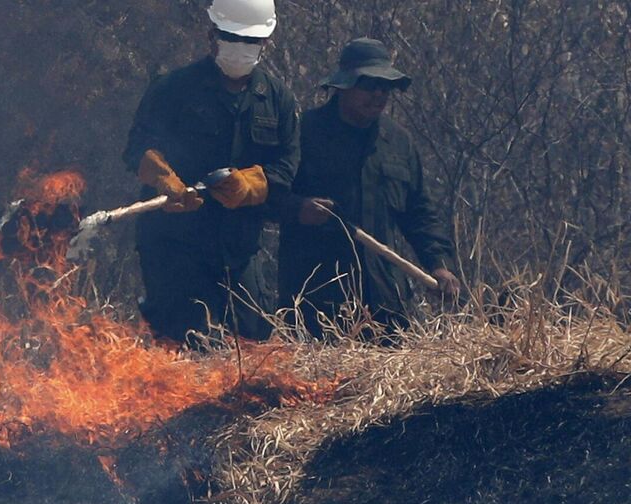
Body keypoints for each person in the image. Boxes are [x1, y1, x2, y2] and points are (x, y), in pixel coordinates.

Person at [122, 0, 300, 346]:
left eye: (251, 41)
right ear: (212, 35)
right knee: (184, 345)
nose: (241, 48)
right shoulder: (173, 89)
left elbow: (287, 164)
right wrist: (166, 180)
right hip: (176, 245)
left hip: (239, 247)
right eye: (232, 37)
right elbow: (138, 148)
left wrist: (251, 185)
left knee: (251, 343)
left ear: (267, 42)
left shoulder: (277, 99)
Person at [278, 38, 462, 338]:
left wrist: (439, 264)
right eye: (369, 85)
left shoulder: (398, 142)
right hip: (316, 303)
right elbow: (266, 197)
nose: (378, 94)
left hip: (385, 304)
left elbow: (419, 213)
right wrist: (297, 209)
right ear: (343, 86)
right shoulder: (302, 133)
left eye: (385, 87)